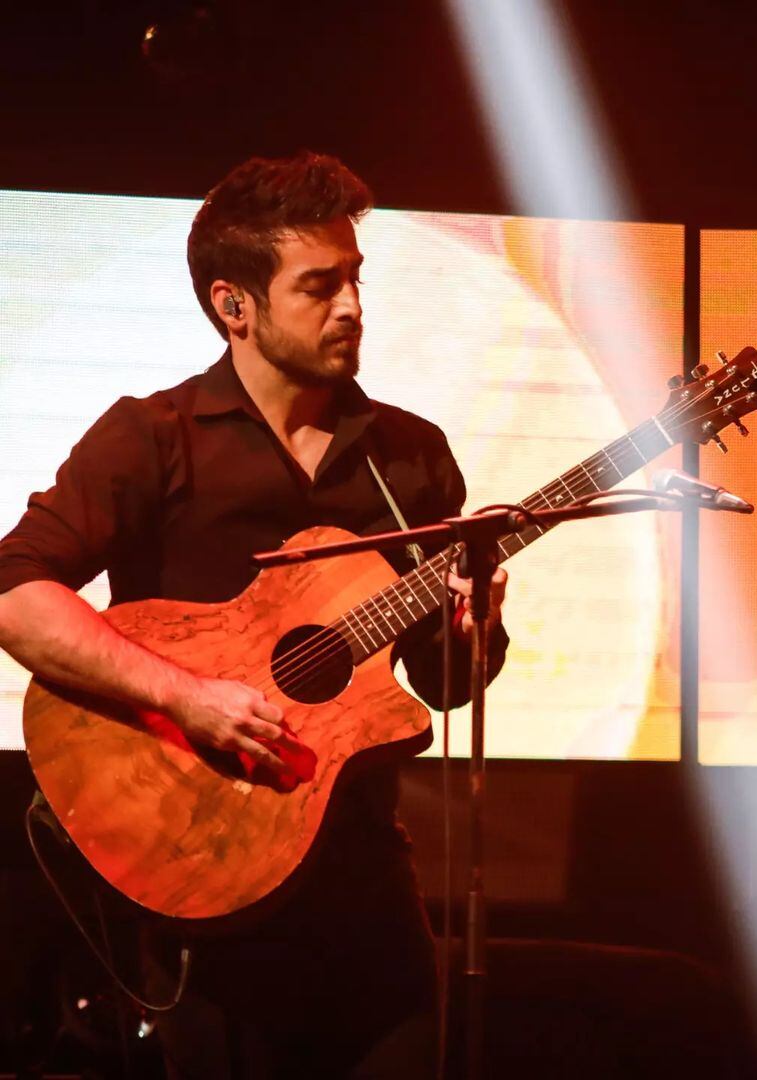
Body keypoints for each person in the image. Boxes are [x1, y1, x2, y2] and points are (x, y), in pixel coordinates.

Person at [0, 151, 508, 1078]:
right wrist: (191, 698)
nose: (352, 306)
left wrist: (474, 625)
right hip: (203, 873)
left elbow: (440, 686)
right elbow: (16, 595)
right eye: (320, 287)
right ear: (235, 305)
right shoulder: (152, 439)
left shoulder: (409, 456)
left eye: (354, 279)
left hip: (361, 879)